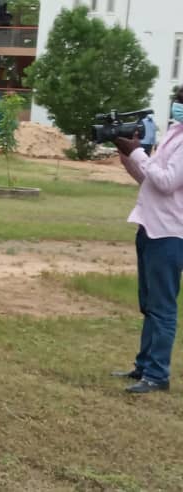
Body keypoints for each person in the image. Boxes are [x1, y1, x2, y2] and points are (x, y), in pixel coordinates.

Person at [110, 87, 183, 394]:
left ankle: (157, 375)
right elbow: (149, 180)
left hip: (169, 232)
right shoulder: (175, 133)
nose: (177, 107)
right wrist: (128, 155)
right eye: (177, 101)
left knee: (163, 308)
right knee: (150, 305)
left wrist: (138, 152)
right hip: (150, 227)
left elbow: (167, 182)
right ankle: (144, 366)